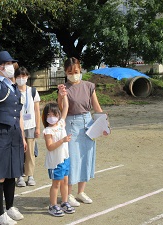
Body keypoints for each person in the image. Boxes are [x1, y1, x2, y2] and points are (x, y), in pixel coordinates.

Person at [0, 12, 26, 225]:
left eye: (11, 63)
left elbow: (18, 113)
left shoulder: (13, 85)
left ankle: (9, 207)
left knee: (12, 173)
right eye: (7, 63)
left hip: (14, 133)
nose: (11, 66)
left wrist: (23, 136)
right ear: (0, 67)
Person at [57, 57, 107, 207]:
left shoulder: (89, 86)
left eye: (76, 71)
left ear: (81, 69)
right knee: (72, 159)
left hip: (88, 123)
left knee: (86, 157)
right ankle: (69, 193)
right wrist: (60, 95)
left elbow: (97, 108)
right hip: (71, 124)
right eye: (70, 72)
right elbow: (61, 108)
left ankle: (81, 192)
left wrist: (104, 124)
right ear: (65, 72)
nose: (73, 74)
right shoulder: (64, 88)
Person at [42, 92, 74, 216]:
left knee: (65, 182)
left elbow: (65, 107)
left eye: (53, 114)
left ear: (58, 115)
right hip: (55, 162)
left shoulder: (61, 123)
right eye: (48, 114)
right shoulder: (48, 130)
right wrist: (62, 140)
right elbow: (50, 147)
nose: (51, 117)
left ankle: (64, 202)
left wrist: (63, 94)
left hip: (65, 159)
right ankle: (53, 205)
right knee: (56, 184)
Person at [15, 67, 41, 187]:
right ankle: (19, 175)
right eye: (19, 77)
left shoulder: (33, 91)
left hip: (30, 126)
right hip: (16, 126)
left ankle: (30, 175)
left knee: (30, 152)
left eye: (23, 76)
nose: (21, 79)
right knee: (18, 151)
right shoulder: (13, 91)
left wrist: (38, 128)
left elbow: (37, 111)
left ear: (27, 77)